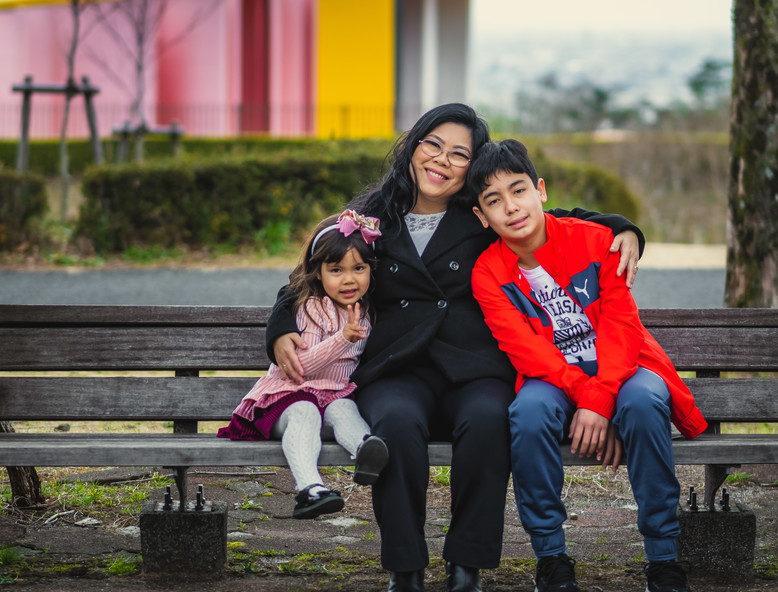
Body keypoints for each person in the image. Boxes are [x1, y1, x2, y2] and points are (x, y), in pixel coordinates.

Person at [267, 103, 643, 592]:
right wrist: (279, 329)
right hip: (398, 367)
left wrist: (623, 227)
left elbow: (558, 218)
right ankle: (405, 568)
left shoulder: (479, 214)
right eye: (433, 144)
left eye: (459, 154)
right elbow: (308, 275)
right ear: (414, 145)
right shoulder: (372, 217)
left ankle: (467, 565)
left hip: (476, 366)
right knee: (396, 425)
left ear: (474, 165)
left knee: (490, 420)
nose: (441, 160)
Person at [467, 138, 707, 592]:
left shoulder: (597, 241)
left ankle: (663, 558)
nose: (511, 208)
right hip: (553, 378)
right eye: (494, 201)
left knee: (642, 402)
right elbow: (526, 351)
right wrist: (590, 399)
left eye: (518, 191)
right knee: (529, 412)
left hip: (623, 367)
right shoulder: (487, 272)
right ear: (482, 217)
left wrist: (602, 398)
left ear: (540, 190)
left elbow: (622, 325)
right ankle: (552, 558)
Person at [219, 210, 391, 520]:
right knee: (306, 411)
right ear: (318, 273)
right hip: (287, 399)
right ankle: (310, 490)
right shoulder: (312, 308)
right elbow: (301, 368)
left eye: (359, 268)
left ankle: (366, 451)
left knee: (344, 409)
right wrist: (343, 338)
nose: (349, 279)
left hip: (331, 396)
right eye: (336, 270)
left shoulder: (366, 311)